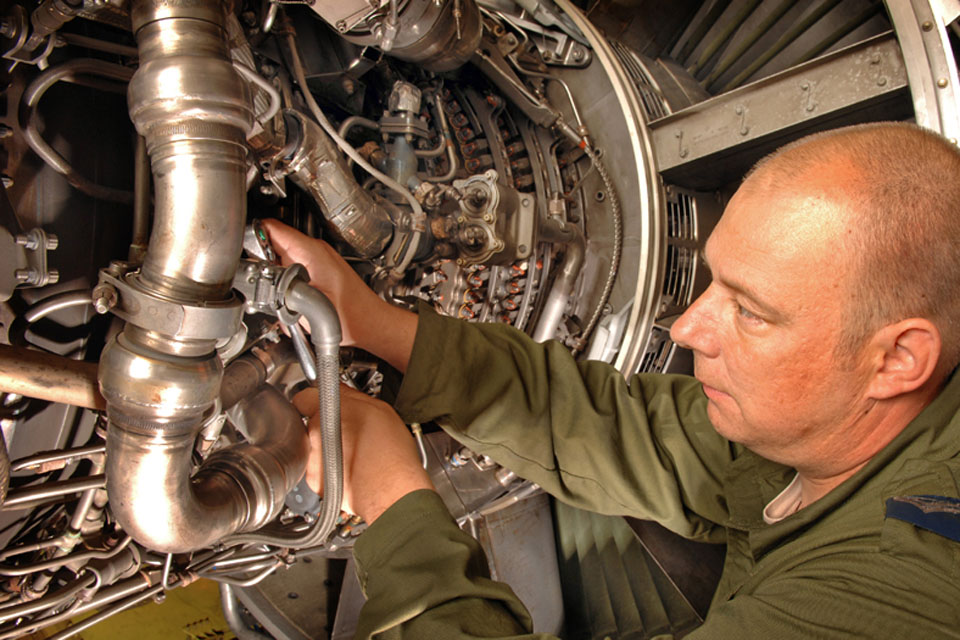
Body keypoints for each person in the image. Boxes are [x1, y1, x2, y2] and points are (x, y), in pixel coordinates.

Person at [266, 121, 960, 639]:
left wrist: (392, 502)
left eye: (749, 312)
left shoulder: (892, 598)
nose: (685, 329)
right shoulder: (841, 428)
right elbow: (618, 425)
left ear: (898, 360)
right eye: (715, 282)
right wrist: (377, 324)